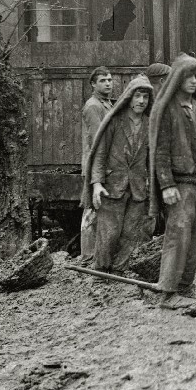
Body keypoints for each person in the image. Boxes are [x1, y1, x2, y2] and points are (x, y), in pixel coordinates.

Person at [148, 55, 196, 309]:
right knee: (177, 237)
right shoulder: (167, 109)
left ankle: (185, 287)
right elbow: (160, 151)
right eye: (189, 76)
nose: (194, 81)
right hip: (179, 186)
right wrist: (167, 185)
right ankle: (167, 291)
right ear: (177, 79)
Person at [85, 75, 154, 274]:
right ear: (129, 98)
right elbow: (100, 154)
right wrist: (97, 184)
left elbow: (151, 159)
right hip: (112, 186)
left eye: (145, 97)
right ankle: (100, 274)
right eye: (137, 96)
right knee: (108, 234)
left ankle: (118, 273)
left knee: (131, 234)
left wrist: (151, 184)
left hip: (138, 188)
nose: (141, 101)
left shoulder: (150, 124)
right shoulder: (114, 121)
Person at [79, 67, 115, 266]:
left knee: (100, 210)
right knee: (92, 210)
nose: (108, 83)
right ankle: (88, 258)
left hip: (103, 165)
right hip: (95, 165)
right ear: (93, 84)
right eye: (102, 80)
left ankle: (96, 256)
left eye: (109, 79)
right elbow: (97, 139)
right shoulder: (93, 106)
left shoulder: (106, 103)